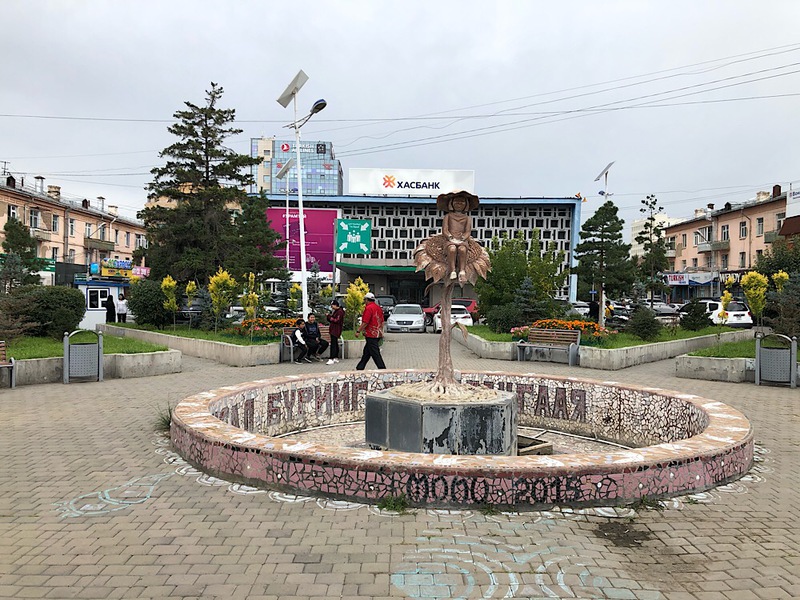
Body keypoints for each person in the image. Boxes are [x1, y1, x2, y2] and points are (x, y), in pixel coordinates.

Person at [442, 194, 473, 283]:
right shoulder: (448, 216)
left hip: (462, 240)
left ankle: (462, 270)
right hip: (450, 240)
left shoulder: (467, 218)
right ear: (451, 203)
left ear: (466, 204)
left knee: (462, 249)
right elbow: (445, 230)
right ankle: (452, 270)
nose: (459, 204)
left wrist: (463, 238)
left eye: (462, 202)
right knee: (452, 249)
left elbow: (468, 231)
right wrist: (450, 237)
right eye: (456, 202)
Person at [355, 292, 386, 370]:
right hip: (377, 333)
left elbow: (365, 322)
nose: (364, 301)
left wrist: (358, 331)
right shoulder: (378, 308)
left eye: (364, 300)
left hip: (371, 334)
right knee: (367, 352)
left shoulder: (368, 308)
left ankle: (382, 368)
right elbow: (382, 321)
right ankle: (360, 367)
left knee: (375, 353)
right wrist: (381, 332)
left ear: (366, 300)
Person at [326, 300, 344, 365]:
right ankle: (335, 357)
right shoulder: (336, 311)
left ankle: (332, 358)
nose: (332, 307)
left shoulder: (340, 312)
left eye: (332, 306)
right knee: (335, 343)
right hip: (334, 329)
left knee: (333, 344)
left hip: (335, 330)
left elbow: (336, 320)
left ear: (336, 305)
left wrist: (329, 316)